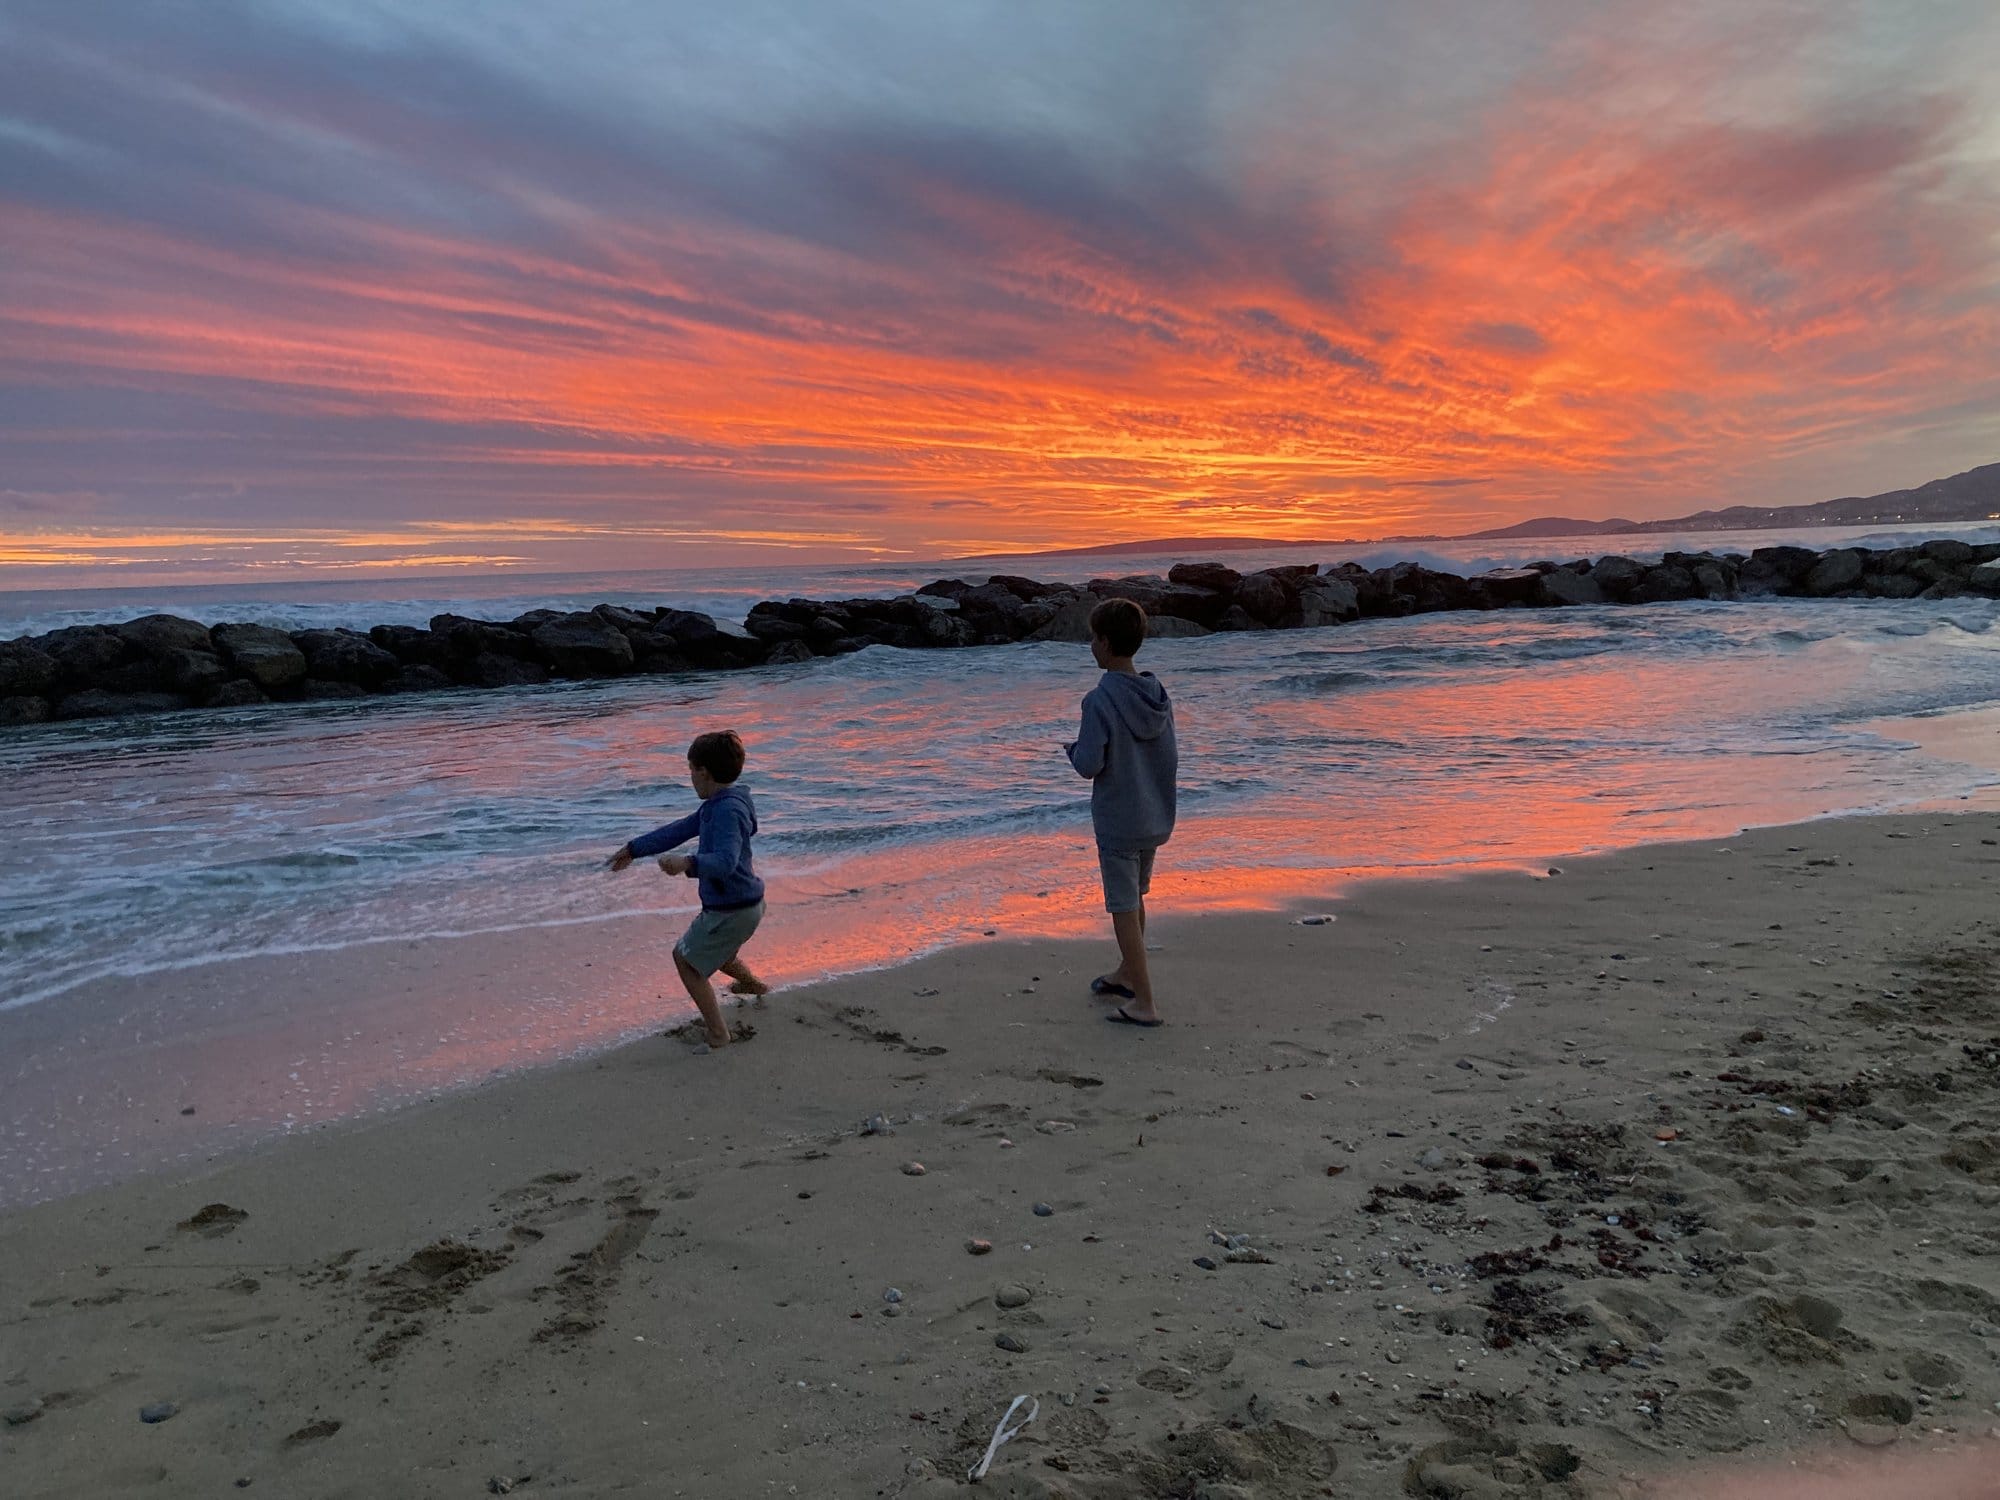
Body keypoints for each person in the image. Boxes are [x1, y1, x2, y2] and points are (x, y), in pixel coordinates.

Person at [607, 729, 767, 1049]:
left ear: (703, 772)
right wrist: (634, 848)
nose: (690, 777)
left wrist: (687, 863)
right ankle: (753, 985)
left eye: (691, 770)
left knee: (686, 960)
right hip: (746, 905)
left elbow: (725, 862)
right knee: (721, 955)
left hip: (730, 908)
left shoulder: (727, 810)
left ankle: (719, 1034)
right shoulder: (722, 804)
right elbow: (679, 830)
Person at [1065, 597, 1177, 1026]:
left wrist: (1073, 751)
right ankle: (1129, 972)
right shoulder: (1157, 694)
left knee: (1122, 906)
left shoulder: (1100, 700)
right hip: (1153, 815)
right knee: (1135, 899)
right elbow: (1170, 756)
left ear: (1107, 643)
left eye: (1093, 638)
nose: (1090, 645)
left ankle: (1145, 1002)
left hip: (1119, 820)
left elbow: (1090, 763)